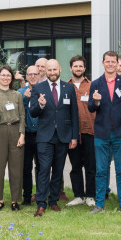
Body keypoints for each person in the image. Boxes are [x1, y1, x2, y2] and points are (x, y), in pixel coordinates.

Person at [28, 58, 80, 217]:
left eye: (54, 70)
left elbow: (74, 113)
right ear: (45, 71)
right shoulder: (38, 88)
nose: (52, 72)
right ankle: (41, 203)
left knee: (58, 170)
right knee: (44, 169)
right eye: (49, 70)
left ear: (60, 70)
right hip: (45, 136)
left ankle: (53, 201)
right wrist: (40, 104)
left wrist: (74, 137)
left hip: (63, 136)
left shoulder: (69, 88)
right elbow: (32, 112)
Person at [87, 51, 121, 214]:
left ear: (117, 64)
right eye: (107, 61)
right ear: (103, 63)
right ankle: (99, 204)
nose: (110, 64)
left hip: (120, 132)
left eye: (113, 62)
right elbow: (91, 108)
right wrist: (95, 101)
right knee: (101, 170)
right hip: (101, 132)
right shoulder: (95, 84)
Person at [0, 65, 26, 211]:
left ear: (12, 78)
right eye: (2, 75)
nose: (5, 78)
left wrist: (22, 134)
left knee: (16, 167)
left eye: (8, 75)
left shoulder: (17, 95)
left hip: (15, 130)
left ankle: (15, 200)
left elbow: (22, 116)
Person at [67, 55, 97, 207]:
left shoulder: (92, 86)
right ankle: (78, 196)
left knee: (91, 166)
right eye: (75, 66)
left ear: (84, 68)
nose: (78, 68)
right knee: (75, 166)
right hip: (72, 133)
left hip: (90, 131)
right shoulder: (65, 87)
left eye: (80, 66)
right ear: (70, 68)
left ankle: (91, 196)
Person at [20, 64, 41, 207]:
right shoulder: (20, 92)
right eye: (30, 74)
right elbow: (17, 112)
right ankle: (26, 197)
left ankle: (40, 195)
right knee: (25, 167)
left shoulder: (44, 90)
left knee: (41, 167)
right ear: (26, 76)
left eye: (35, 74)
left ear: (39, 75)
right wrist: (25, 99)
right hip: (26, 135)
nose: (33, 76)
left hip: (41, 135)